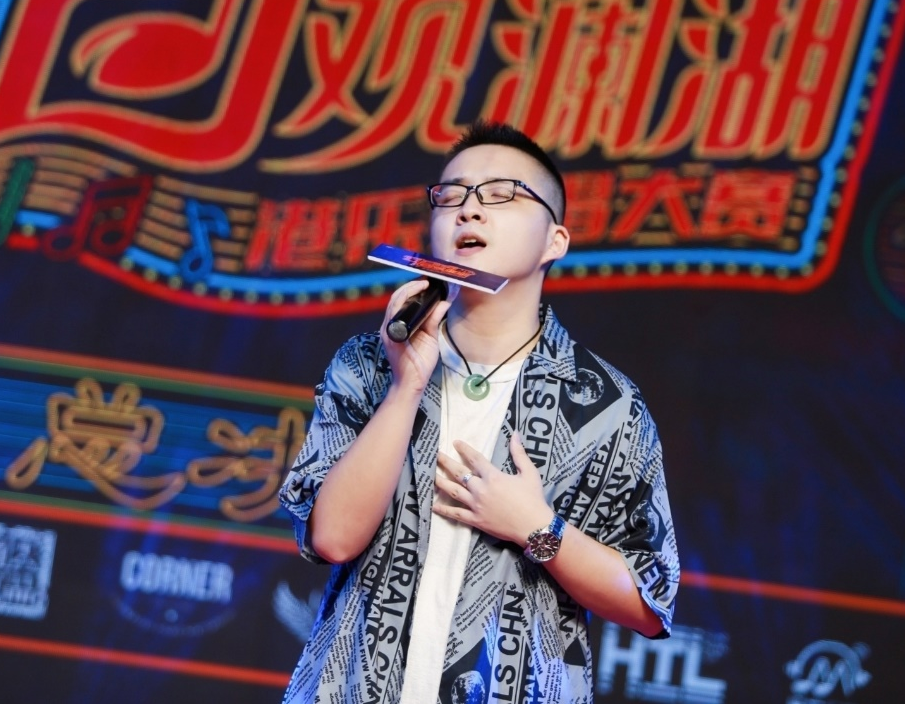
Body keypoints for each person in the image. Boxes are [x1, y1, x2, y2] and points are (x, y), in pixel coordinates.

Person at [279, 120, 679, 703]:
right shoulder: (369, 362)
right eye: (452, 196)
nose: (469, 210)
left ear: (555, 241)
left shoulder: (607, 406)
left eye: (501, 194)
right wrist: (405, 386)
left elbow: (648, 603)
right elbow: (332, 539)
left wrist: (538, 529)